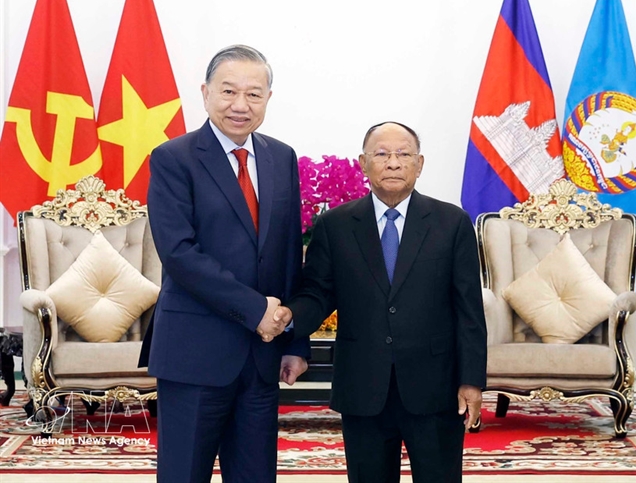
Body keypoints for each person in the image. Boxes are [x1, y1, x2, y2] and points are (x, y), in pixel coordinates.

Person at [279, 121, 487, 483]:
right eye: (381, 154)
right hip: (363, 386)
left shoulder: (451, 222)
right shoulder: (335, 225)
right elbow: (317, 294)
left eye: (403, 154)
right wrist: (287, 318)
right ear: (363, 163)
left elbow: (469, 310)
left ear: (419, 164)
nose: (393, 163)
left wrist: (471, 380)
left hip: (435, 387)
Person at [139, 44, 309, 483]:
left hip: (262, 355)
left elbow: (289, 251)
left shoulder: (281, 157)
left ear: (268, 98)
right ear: (206, 93)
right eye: (229, 91)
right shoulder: (172, 158)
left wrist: (295, 342)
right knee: (184, 474)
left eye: (254, 94)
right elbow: (179, 254)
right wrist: (256, 311)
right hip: (194, 351)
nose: (240, 105)